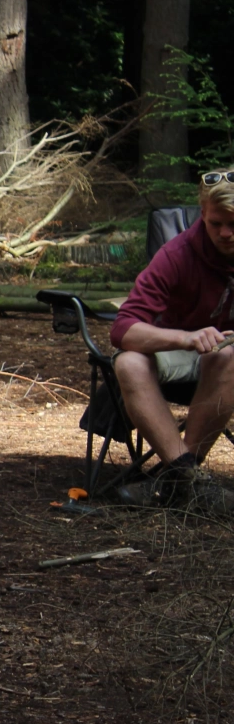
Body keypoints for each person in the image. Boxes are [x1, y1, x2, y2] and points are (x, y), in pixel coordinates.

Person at [109, 175, 234, 512]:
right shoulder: (178, 253)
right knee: (129, 361)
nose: (225, 233)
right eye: (216, 223)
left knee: (228, 356)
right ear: (203, 213)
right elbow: (123, 328)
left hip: (227, 360)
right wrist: (186, 337)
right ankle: (188, 478)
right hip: (180, 348)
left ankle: (174, 481)